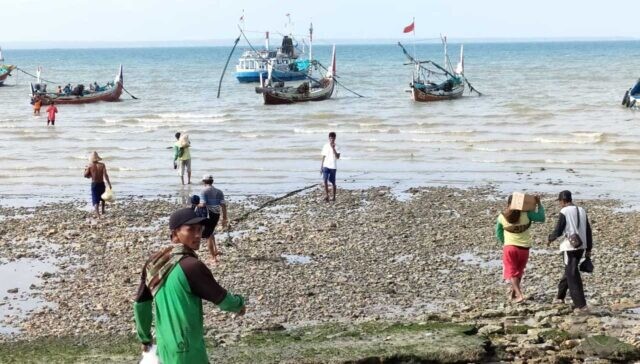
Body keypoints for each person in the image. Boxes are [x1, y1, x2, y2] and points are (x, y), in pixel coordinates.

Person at [134, 208, 246, 364]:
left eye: (200, 229)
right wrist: (239, 305)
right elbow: (223, 299)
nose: (198, 235)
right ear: (174, 234)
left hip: (165, 344)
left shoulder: (155, 263)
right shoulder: (192, 267)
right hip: (186, 347)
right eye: (191, 229)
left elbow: (141, 304)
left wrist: (145, 338)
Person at [548, 190, 593, 312]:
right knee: (569, 270)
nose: (560, 204)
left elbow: (558, 230)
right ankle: (559, 297)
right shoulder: (582, 210)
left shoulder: (564, 211)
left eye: (560, 202)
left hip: (570, 246)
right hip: (582, 245)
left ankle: (581, 304)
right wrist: (589, 248)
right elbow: (588, 230)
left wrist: (550, 239)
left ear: (563, 201)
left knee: (572, 273)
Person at [495, 194, 545, 303]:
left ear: (508, 204)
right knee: (518, 271)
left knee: (512, 272)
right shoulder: (527, 214)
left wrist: (506, 242)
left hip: (510, 248)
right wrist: (539, 204)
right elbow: (541, 218)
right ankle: (513, 294)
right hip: (524, 249)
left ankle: (519, 294)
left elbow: (498, 233)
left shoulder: (502, 216)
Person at [198, 175, 228, 261]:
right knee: (211, 231)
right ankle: (215, 250)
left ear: (204, 182)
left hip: (208, 214)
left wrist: (195, 204)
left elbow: (203, 204)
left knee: (208, 236)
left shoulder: (203, 191)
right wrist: (224, 218)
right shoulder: (219, 191)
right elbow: (223, 205)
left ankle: (213, 257)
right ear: (212, 182)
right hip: (216, 214)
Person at [83, 151, 112, 217]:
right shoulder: (102, 165)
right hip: (101, 183)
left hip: (94, 184)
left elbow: (85, 175)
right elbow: (105, 175)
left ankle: (98, 214)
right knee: (103, 197)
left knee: (95, 199)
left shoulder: (89, 166)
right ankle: (103, 211)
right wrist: (109, 184)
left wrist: (85, 169)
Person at [320, 131, 341, 202]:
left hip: (333, 166)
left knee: (333, 182)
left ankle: (334, 197)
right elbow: (323, 157)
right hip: (326, 165)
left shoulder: (337, 146)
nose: (332, 139)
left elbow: (337, 157)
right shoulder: (325, 146)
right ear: (329, 138)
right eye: (330, 138)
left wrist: (333, 148)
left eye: (333, 138)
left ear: (335, 138)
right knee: (325, 180)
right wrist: (321, 167)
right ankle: (327, 196)